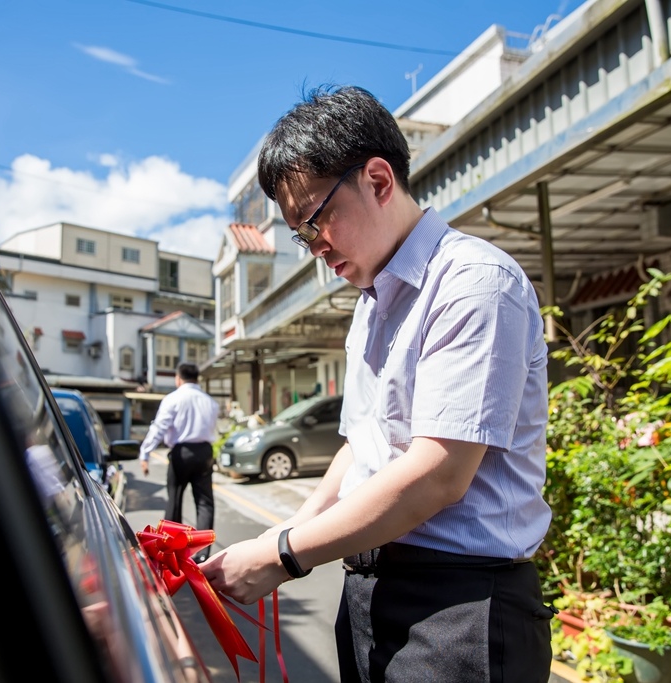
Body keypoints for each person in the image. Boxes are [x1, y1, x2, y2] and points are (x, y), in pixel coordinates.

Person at [201, 85, 554, 683]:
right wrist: (286, 533)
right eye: (300, 236)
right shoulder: (372, 303)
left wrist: (284, 556)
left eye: (314, 221)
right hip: (372, 589)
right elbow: (360, 447)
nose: (315, 249)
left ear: (379, 180)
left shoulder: (473, 281)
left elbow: (439, 472)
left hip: (460, 607)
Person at [139, 362, 220, 560]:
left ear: (178, 378)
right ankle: (202, 554)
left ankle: (172, 551)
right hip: (205, 451)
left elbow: (159, 427)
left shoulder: (173, 398)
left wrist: (145, 453)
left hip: (181, 452)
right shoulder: (210, 401)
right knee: (204, 502)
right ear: (197, 379)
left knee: (174, 498)